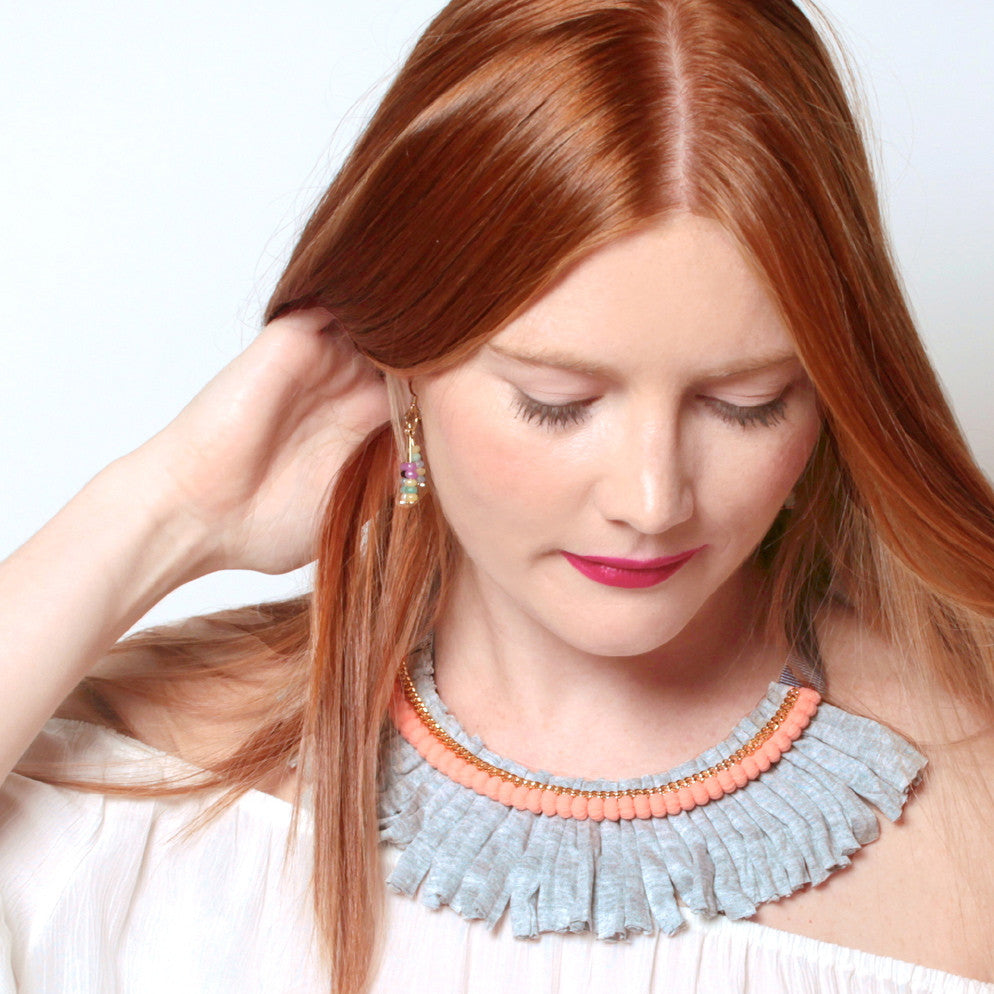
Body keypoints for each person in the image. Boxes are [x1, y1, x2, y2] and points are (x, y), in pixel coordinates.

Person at [1, 0, 993, 992]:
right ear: (400, 369)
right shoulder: (143, 782)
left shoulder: (968, 798)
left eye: (747, 404)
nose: (652, 499)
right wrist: (164, 509)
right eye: (556, 402)